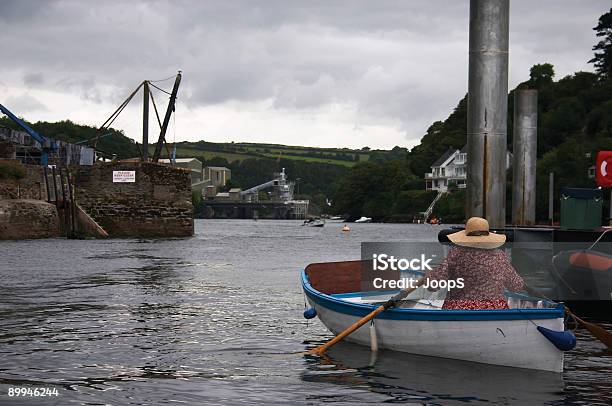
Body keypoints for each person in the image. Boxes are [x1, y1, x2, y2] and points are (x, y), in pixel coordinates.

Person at [425, 217, 524, 310]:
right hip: (496, 311)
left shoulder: (457, 253)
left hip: (461, 310)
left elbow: (433, 285)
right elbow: (516, 286)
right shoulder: (500, 256)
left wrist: (428, 274)